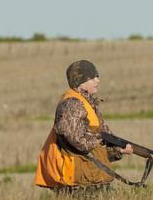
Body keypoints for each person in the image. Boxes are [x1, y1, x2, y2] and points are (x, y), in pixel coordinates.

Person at [34, 60, 133, 193]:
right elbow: (79, 141)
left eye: (97, 76)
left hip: (92, 176)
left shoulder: (88, 104)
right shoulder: (72, 105)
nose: (97, 80)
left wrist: (118, 150)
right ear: (79, 82)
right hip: (77, 181)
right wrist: (99, 137)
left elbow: (98, 147)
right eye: (92, 78)